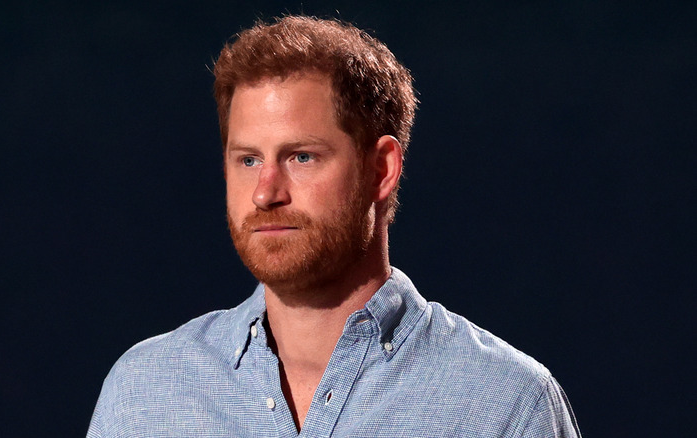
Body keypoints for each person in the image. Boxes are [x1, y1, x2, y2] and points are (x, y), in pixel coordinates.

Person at [87, 15, 581, 437]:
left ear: (382, 169)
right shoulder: (145, 393)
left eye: (301, 157)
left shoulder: (504, 405)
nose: (265, 192)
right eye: (248, 160)